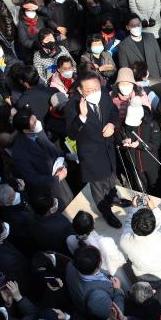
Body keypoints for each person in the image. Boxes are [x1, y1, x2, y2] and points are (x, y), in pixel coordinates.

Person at [64, 71, 128, 228]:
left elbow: (113, 111)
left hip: (108, 147)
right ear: (80, 91)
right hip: (91, 155)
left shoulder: (104, 94)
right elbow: (72, 135)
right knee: (98, 187)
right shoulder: (72, 106)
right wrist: (82, 117)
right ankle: (106, 212)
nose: (94, 92)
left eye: (96, 88)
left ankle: (113, 198)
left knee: (111, 178)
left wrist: (112, 124)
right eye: (89, 90)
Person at [119, 195, 161, 288]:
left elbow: (127, 226)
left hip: (145, 281)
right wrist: (153, 208)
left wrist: (133, 208)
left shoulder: (124, 241)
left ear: (133, 226)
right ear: (153, 224)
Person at [65, 245, 126, 319]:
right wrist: (117, 290)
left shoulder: (70, 265)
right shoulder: (96, 298)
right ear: (100, 264)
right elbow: (118, 315)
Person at [117, 14, 161, 78]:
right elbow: (125, 70)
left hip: (156, 77)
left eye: (138, 25)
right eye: (133, 26)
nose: (136, 27)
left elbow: (159, 59)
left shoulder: (150, 37)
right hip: (138, 81)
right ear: (127, 27)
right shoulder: (123, 46)